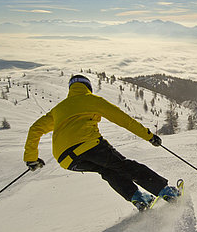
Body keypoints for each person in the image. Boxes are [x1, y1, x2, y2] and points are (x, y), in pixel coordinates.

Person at [23, 74, 180, 211]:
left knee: (108, 171)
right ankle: (165, 191)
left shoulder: (58, 110)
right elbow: (124, 120)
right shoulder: (92, 100)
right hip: (90, 146)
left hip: (66, 160)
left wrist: (32, 159)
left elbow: (34, 129)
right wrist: (149, 136)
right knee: (125, 166)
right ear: (88, 87)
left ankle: (138, 197)